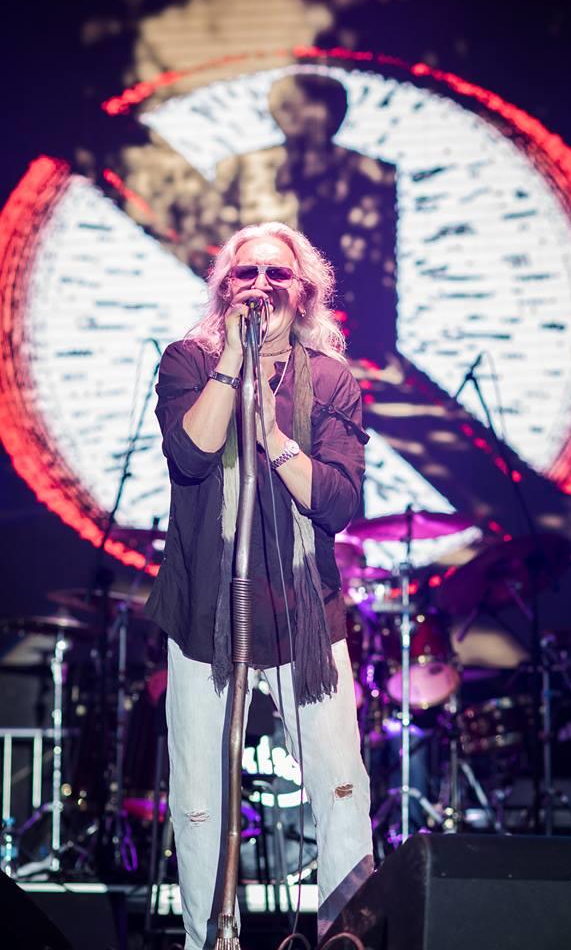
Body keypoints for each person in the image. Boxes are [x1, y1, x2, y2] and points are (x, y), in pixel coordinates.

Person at [145, 221, 374, 949]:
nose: (261, 286)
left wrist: (274, 440)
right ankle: (210, 941)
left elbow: (335, 501)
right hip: (206, 613)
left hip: (304, 617)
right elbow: (191, 454)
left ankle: (346, 939)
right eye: (246, 274)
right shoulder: (189, 361)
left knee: (342, 790)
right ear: (225, 289)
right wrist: (232, 366)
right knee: (199, 805)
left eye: (278, 274)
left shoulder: (331, 380)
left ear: (303, 292)